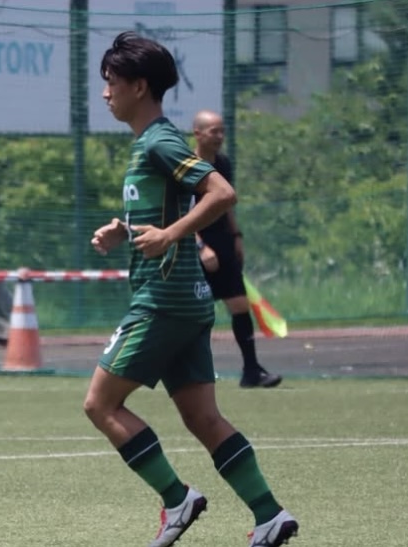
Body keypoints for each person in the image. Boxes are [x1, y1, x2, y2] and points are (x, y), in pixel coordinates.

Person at [85, 31, 298, 547]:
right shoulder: (152, 143)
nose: (106, 92)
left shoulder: (159, 141)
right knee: (203, 417)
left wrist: (170, 235)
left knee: (100, 405)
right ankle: (269, 514)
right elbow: (168, 215)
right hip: (189, 301)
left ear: (139, 86)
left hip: (161, 302)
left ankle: (177, 498)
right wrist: (128, 231)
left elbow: (221, 193)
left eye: (112, 82)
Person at [192, 110, 283, 389]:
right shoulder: (187, 166)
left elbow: (226, 203)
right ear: (198, 134)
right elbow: (181, 212)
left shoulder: (223, 164)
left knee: (240, 306)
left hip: (223, 242)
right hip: (195, 246)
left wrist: (236, 236)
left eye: (222, 131)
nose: (219, 136)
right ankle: (187, 372)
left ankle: (251, 371)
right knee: (194, 314)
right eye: (213, 131)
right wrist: (200, 246)